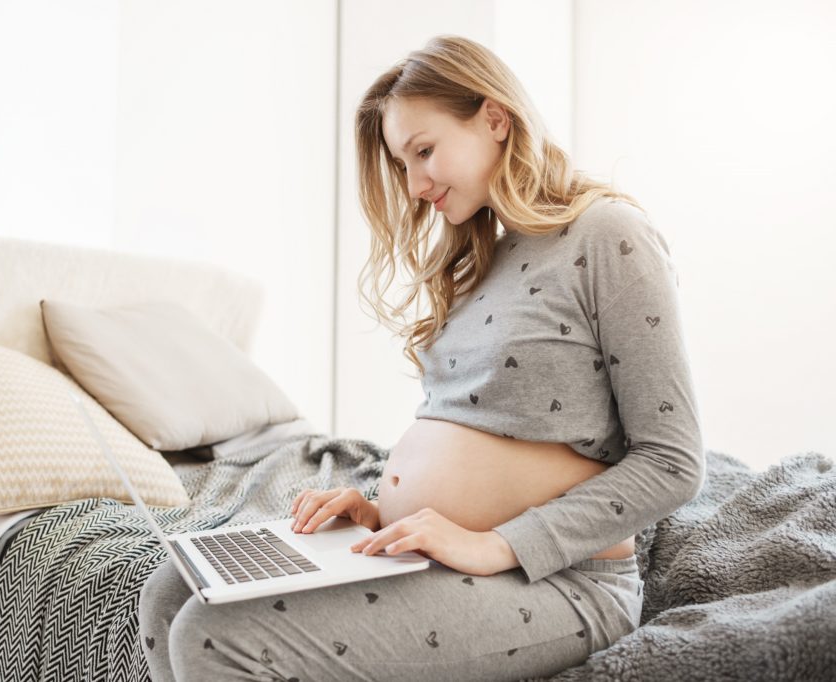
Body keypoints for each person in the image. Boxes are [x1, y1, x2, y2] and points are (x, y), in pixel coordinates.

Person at [137, 34, 704, 681]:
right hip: (432, 555)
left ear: (494, 118)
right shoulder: (480, 259)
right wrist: (381, 509)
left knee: (217, 636)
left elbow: (673, 461)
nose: (413, 184)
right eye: (403, 163)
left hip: (560, 580)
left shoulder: (607, 233)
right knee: (168, 593)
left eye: (424, 151)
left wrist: (495, 544)